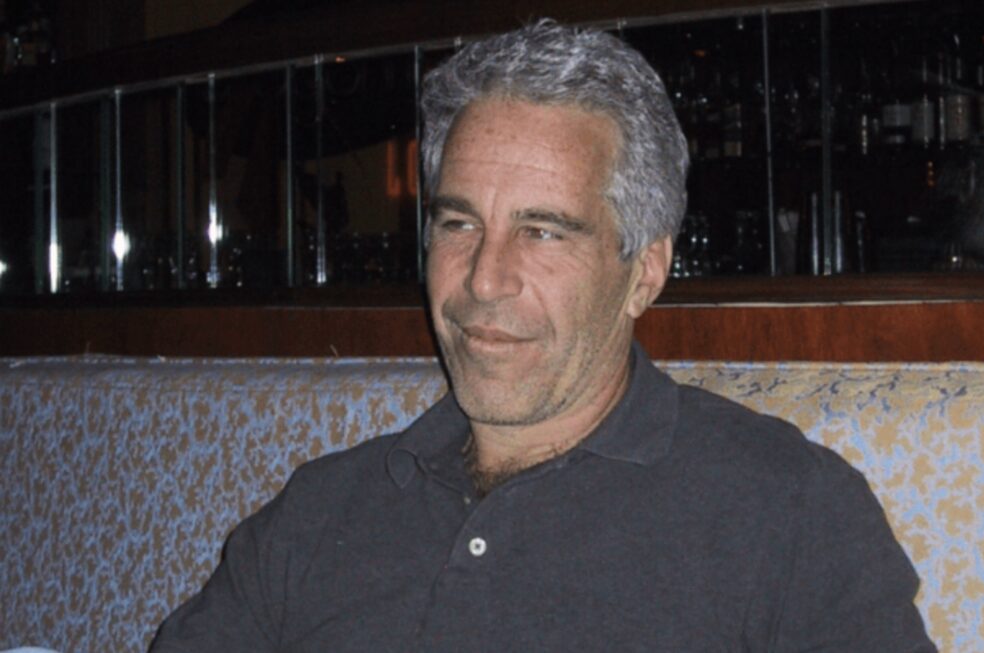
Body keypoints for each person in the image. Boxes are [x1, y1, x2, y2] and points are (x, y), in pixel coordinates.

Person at [150, 20, 936, 652]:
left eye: (544, 231)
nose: (484, 279)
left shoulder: (787, 510)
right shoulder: (320, 511)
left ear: (645, 271)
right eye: (459, 222)